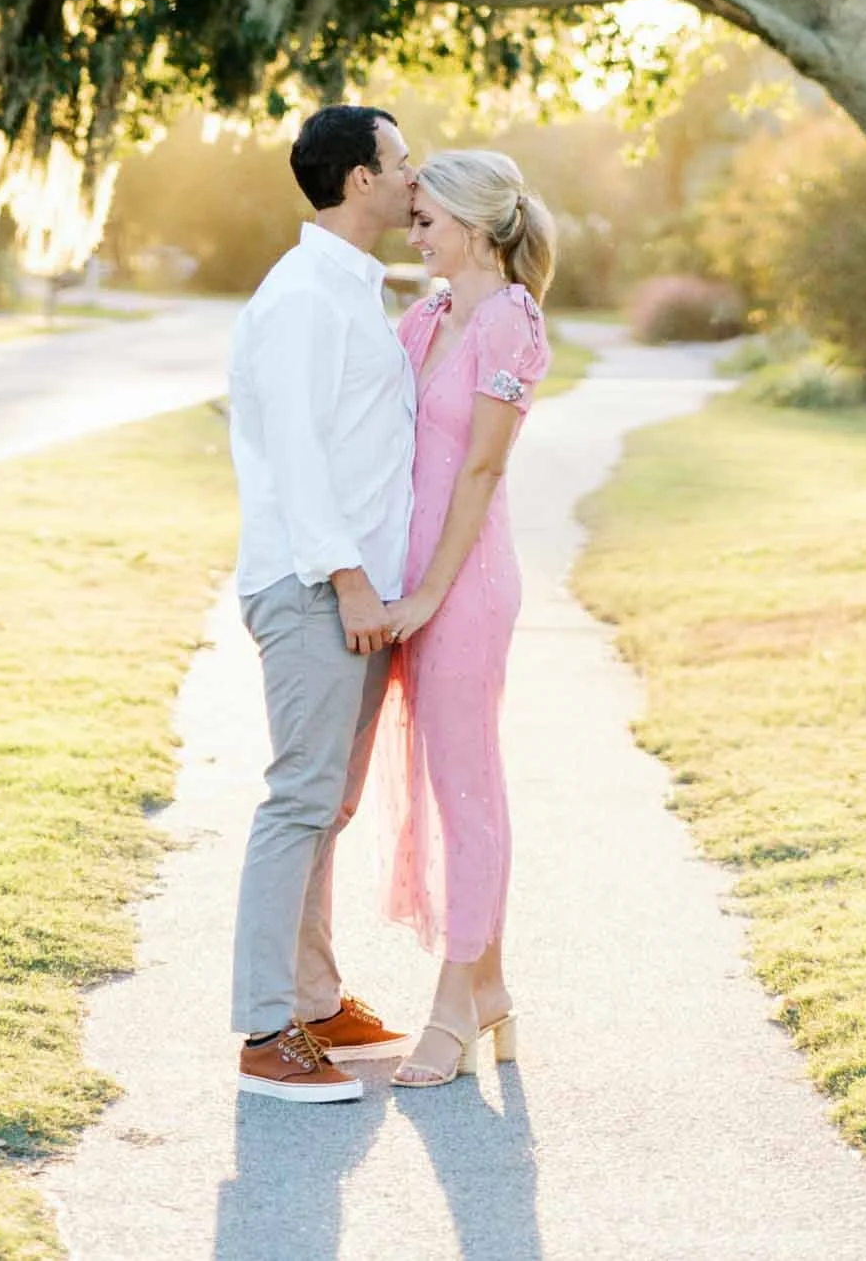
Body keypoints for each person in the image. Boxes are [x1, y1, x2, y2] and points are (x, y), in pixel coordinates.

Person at [226, 100, 418, 1102]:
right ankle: (265, 1029)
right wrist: (346, 577)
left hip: (359, 589)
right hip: (313, 587)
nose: (410, 175)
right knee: (299, 798)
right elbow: (297, 454)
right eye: (398, 160)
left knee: (326, 806)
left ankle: (312, 994)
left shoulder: (354, 288)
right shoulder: (303, 294)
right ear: (357, 178)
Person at [374, 146, 555, 1088]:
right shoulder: (425, 317)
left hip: (466, 587)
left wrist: (431, 595)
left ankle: (450, 1010)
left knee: (466, 792)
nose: (414, 235)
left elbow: (480, 471)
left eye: (427, 220)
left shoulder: (508, 323)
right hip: (413, 587)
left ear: (477, 226)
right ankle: (491, 995)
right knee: (450, 788)